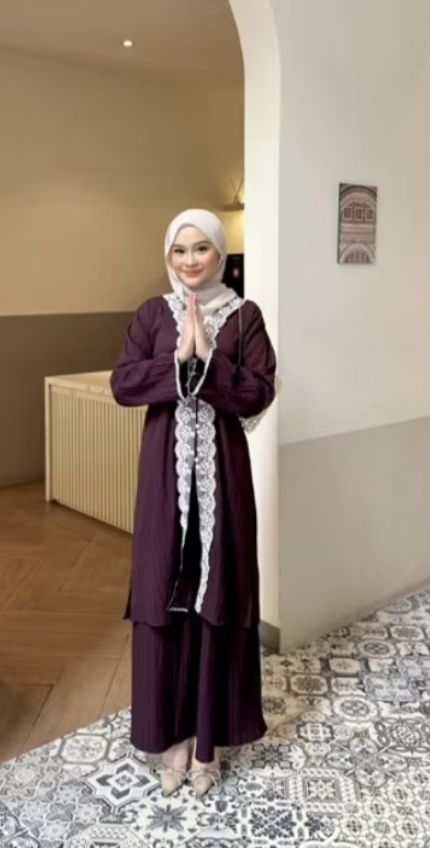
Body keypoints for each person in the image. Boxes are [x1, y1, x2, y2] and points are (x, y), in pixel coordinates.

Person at [110, 208, 277, 799]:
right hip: (164, 479)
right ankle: (173, 738)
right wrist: (176, 360)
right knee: (165, 595)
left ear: (221, 254)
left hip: (224, 482)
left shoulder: (245, 317)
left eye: (201, 248)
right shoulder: (152, 314)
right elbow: (124, 384)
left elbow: (259, 392)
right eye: (179, 250)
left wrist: (210, 361)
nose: (189, 260)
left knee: (217, 596)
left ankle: (209, 742)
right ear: (168, 256)